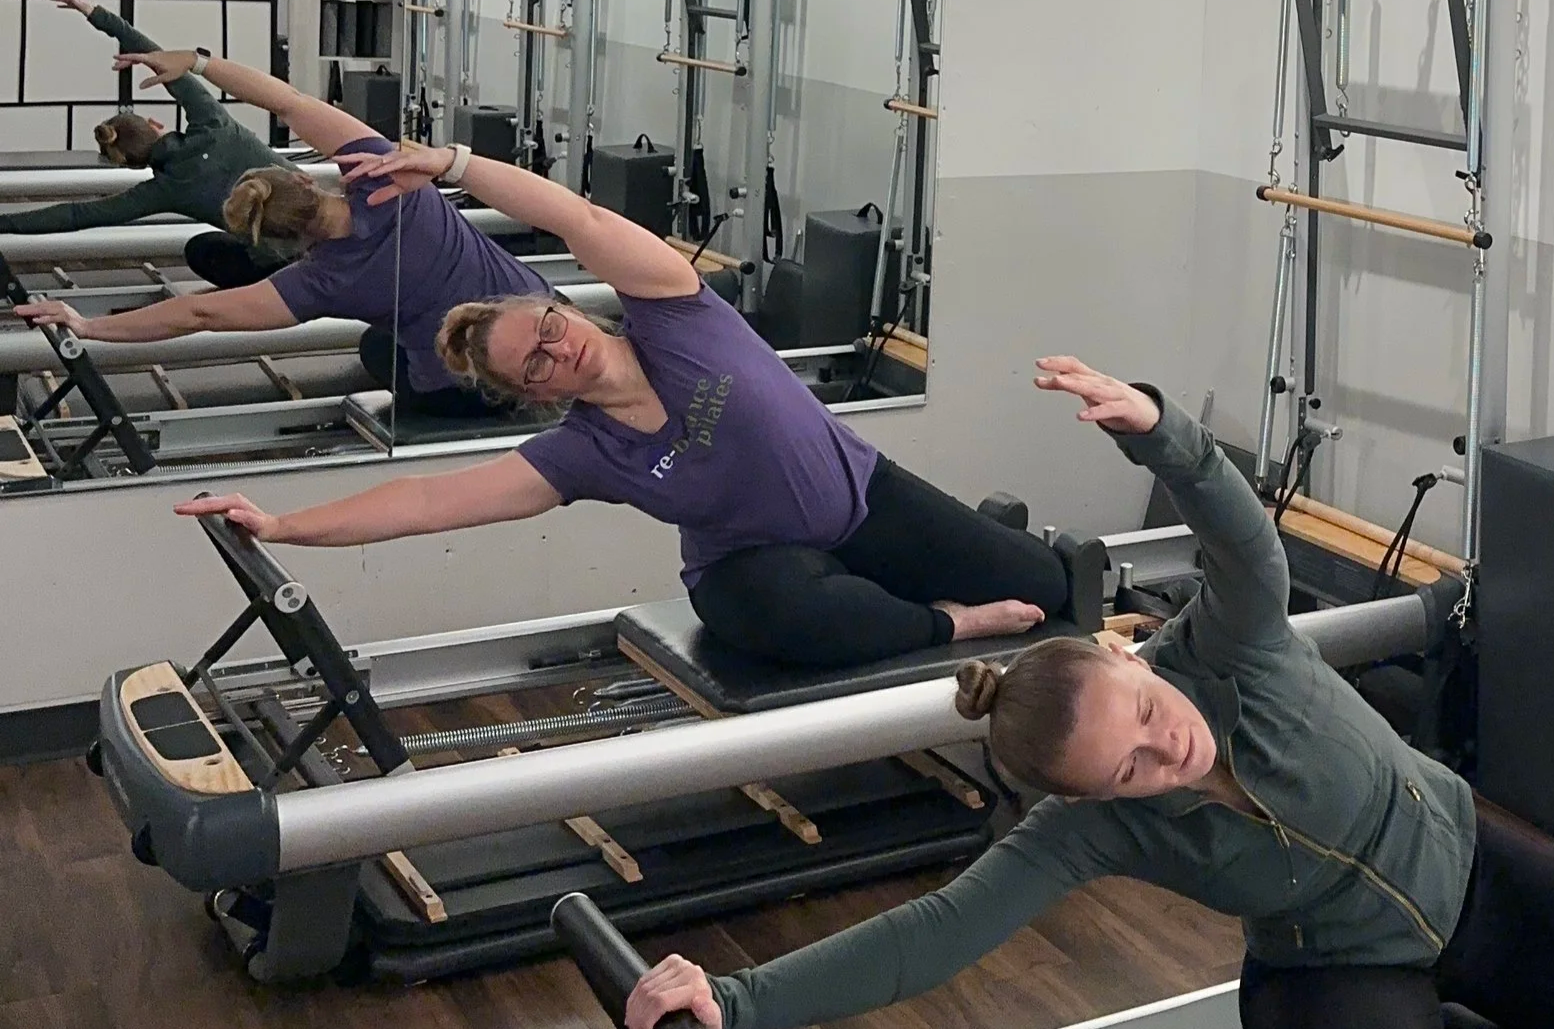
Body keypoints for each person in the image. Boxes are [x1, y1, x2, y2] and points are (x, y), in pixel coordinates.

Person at [620, 358, 1554, 1029]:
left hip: (1474, 876)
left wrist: (1156, 428)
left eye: (1144, 714)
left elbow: (1240, 539)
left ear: (1130, 653)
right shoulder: (1093, 831)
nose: (1161, 749)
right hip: (1331, 963)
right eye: (1126, 770)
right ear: (1090, 799)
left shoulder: (1230, 646)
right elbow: (937, 934)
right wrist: (740, 998)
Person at [172, 139, 1073, 663]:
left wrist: (454, 162)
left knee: (1051, 587)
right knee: (780, 616)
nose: (554, 351)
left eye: (547, 330)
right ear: (532, 392)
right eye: (533, 367)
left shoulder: (674, 313)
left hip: (864, 500)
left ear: (560, 309)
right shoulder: (583, 452)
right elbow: (425, 500)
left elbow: (581, 220)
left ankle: (960, 565)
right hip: (751, 565)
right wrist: (286, 526)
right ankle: (944, 621)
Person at [10, 43, 530, 419]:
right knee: (383, 342)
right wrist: (195, 63)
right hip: (542, 311)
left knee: (378, 350)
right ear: (305, 177)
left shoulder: (319, 282)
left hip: (482, 385)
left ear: (280, 244)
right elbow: (288, 103)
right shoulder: (387, 176)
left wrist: (87, 325)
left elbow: (199, 313)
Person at [0, 0, 291, 288]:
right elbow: (157, 56)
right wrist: (95, 13)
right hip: (319, 207)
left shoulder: (164, 190)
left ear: (129, 164)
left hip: (285, 263)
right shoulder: (214, 123)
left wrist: (4, 223)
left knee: (201, 250)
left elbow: (77, 215)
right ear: (154, 123)